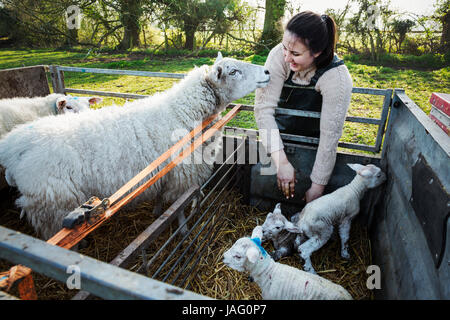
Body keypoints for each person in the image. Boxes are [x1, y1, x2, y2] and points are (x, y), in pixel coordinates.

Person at [254, 11, 353, 203]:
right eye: (284, 48)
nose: (286, 57)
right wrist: (281, 162)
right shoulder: (278, 57)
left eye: (295, 54)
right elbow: (263, 110)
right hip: (277, 137)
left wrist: (317, 187)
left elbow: (330, 137)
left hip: (314, 145)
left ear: (317, 52)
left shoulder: (337, 78)